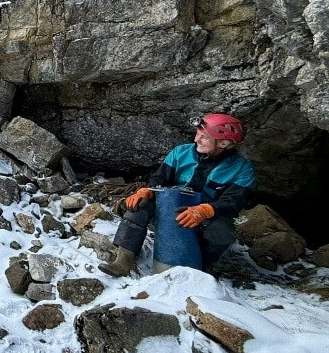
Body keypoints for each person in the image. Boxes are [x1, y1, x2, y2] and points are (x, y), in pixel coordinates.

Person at [99, 113, 256, 277]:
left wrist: (205, 211)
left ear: (223, 142)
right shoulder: (181, 152)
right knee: (139, 206)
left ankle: (201, 267)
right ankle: (122, 262)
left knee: (223, 233)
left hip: (207, 215)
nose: (196, 140)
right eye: (197, 134)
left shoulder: (242, 169)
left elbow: (233, 202)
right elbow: (159, 178)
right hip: (170, 206)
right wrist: (148, 190)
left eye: (204, 137)